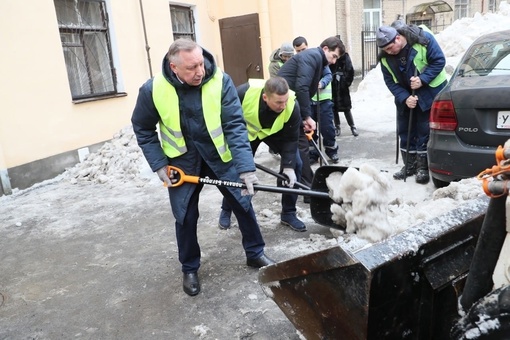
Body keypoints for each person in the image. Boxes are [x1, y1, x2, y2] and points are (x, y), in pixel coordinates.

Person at [131, 38, 275, 297]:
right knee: (184, 215)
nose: (200, 71)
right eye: (191, 68)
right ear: (174, 67)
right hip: (183, 161)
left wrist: (245, 167)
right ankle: (189, 268)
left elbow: (234, 124)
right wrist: (159, 164)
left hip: (219, 156)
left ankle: (255, 253)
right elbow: (142, 127)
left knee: (243, 202)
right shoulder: (153, 90)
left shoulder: (220, 81)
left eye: (201, 64)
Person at [218, 77, 306, 232]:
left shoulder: (292, 105)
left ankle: (289, 213)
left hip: (274, 133)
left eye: (285, 101)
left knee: (296, 164)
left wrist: (288, 167)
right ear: (265, 97)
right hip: (247, 134)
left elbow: (291, 139)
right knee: (236, 170)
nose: (283, 105)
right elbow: (224, 118)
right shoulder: (242, 93)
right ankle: (227, 209)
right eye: (279, 102)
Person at [376, 25, 447, 184]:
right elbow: (390, 82)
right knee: (405, 130)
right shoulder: (385, 58)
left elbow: (439, 61)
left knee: (424, 129)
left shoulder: (423, 40)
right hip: (407, 96)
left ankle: (423, 167)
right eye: (385, 50)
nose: (389, 51)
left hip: (429, 91)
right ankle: (409, 165)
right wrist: (405, 97)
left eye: (390, 47)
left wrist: (422, 80)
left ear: (398, 38)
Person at [279, 36, 343, 191]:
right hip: (283, 103)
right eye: (334, 56)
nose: (334, 61)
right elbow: (302, 87)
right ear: (326, 49)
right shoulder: (313, 56)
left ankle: (299, 185)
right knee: (300, 146)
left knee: (296, 147)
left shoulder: (317, 59)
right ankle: (309, 188)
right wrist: (307, 116)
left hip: (289, 103)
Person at [292, 36, 338, 164]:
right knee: (310, 130)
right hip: (308, 102)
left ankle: (332, 151)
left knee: (327, 128)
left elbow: (328, 75)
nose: (302, 53)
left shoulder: (318, 59)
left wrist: (321, 83)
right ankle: (313, 153)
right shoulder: (300, 61)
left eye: (303, 49)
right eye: (298, 51)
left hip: (323, 101)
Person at [330, 38, 359, 137]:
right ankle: (337, 127)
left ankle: (352, 126)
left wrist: (345, 82)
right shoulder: (332, 56)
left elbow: (350, 70)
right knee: (334, 108)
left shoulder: (345, 56)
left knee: (346, 108)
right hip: (333, 85)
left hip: (342, 87)